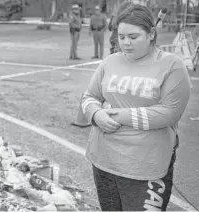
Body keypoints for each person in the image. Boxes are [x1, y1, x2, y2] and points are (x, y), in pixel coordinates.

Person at [81, 4, 191, 211]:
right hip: (104, 161)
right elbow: (89, 97)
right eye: (121, 37)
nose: (126, 43)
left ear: (151, 33)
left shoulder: (172, 65)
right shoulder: (110, 62)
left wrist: (117, 115)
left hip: (147, 167)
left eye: (133, 37)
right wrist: (96, 115)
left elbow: (169, 113)